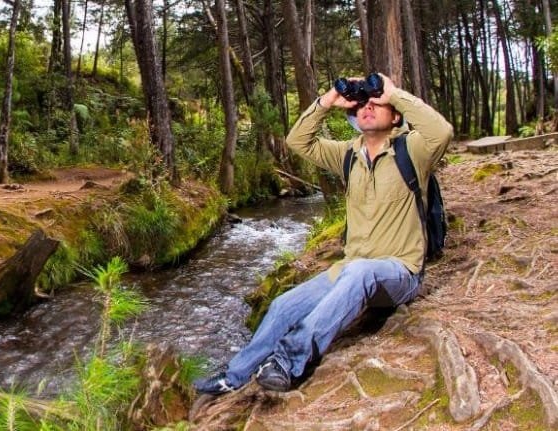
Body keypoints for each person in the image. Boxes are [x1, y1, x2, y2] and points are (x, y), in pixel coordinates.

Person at [194, 74, 453, 394]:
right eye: (362, 105)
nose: (367, 109)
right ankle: (234, 377)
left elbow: (442, 131)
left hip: (400, 272)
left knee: (359, 272)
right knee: (283, 306)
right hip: (349, 271)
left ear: (395, 115)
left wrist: (394, 93)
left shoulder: (412, 150)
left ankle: (289, 361)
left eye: (377, 104)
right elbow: (298, 141)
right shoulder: (348, 154)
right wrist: (328, 100)